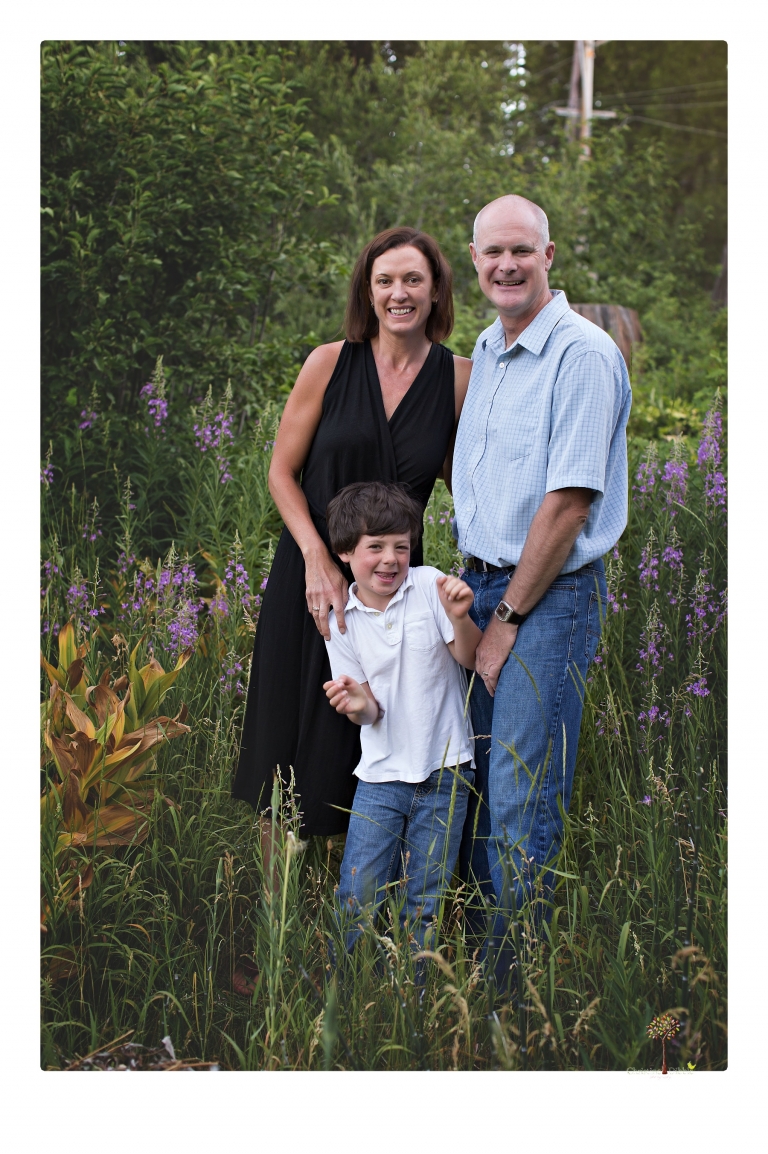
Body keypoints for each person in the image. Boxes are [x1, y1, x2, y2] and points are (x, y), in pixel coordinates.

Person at [231, 228, 471, 991]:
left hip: (396, 597)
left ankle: (372, 951)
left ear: (436, 292)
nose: (399, 293)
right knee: (286, 753)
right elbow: (281, 471)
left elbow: (475, 482)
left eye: (414, 280)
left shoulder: (458, 379)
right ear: (367, 290)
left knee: (380, 748)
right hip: (310, 585)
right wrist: (313, 556)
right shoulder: (330, 363)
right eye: (384, 280)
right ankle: (272, 942)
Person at [452, 194, 632, 995]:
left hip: (544, 600)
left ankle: (512, 1005)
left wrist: (507, 619)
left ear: (549, 256)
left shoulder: (582, 354)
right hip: (478, 585)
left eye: (521, 250)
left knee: (522, 800)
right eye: (493, 252)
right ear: (475, 259)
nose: (507, 265)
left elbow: (567, 505)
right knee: (478, 790)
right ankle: (471, 978)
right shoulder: (488, 349)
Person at [322, 482, 481, 964]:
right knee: (357, 895)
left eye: (401, 547)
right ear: (346, 552)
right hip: (380, 778)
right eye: (376, 547)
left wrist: (459, 617)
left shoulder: (429, 587)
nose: (390, 559)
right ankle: (343, 991)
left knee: (424, 902)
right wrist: (356, 704)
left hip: (446, 773)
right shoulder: (341, 621)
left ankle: (415, 994)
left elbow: (471, 658)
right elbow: (370, 712)